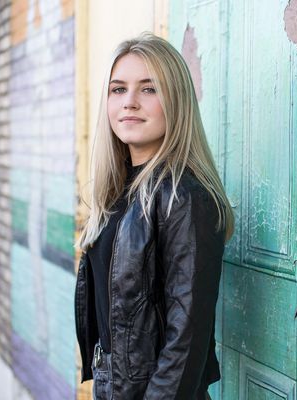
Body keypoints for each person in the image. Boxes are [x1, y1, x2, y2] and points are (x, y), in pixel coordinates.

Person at [74, 32, 234, 400]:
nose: (129, 102)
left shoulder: (185, 197)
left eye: (149, 89)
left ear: (176, 101)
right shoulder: (116, 191)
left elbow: (187, 337)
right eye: (118, 89)